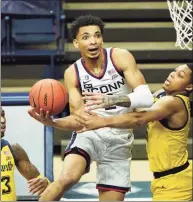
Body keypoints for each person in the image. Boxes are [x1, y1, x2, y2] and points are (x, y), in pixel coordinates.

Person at [28, 15, 154, 201]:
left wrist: (111, 100)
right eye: (86, 37)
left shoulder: (120, 57)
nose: (93, 41)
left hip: (119, 138)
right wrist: (52, 122)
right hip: (89, 133)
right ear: (76, 43)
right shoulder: (73, 73)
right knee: (67, 177)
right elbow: (78, 120)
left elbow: (146, 98)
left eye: (97, 35)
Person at [76, 63, 193, 201]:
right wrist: (109, 100)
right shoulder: (161, 95)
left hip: (176, 183)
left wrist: (102, 121)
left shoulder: (174, 102)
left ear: (189, 87)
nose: (173, 74)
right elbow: (137, 105)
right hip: (167, 179)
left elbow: (139, 119)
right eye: (175, 71)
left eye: (180, 75)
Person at [1, 107, 50, 201]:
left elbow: (44, 186)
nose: (2, 120)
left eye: (3, 115)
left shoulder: (14, 150)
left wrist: (45, 182)